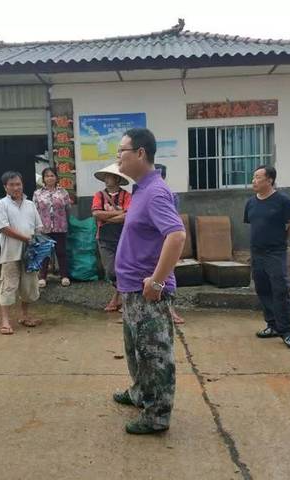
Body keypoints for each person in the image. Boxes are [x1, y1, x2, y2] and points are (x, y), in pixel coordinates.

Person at [113, 128, 186, 434]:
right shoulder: (141, 189)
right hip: (132, 288)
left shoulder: (155, 191)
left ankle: (157, 414)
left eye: (121, 152)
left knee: (154, 354)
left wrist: (156, 282)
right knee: (136, 349)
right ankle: (140, 392)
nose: (117, 159)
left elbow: (177, 235)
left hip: (147, 292)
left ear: (140, 153)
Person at [244, 165, 290, 350]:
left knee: (280, 289)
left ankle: (287, 332)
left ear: (269, 180)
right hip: (257, 252)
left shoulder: (282, 200)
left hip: (275, 253)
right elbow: (254, 226)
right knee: (263, 289)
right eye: (253, 177)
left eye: (258, 177)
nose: (254, 181)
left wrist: (280, 240)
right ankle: (272, 325)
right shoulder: (251, 203)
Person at [0, 171, 44, 334]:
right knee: (9, 285)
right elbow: (3, 228)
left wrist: (37, 242)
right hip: (11, 252)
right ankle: (5, 321)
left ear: (22, 185)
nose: (16, 187)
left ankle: (24, 315)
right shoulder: (2, 204)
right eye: (11, 185)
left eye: (18, 184)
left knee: (29, 285)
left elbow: (38, 227)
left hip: (30, 252)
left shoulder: (30, 204)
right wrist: (26, 238)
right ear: (5, 187)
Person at [92, 163, 132, 312]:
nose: (107, 179)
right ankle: (121, 296)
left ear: (117, 179)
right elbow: (96, 214)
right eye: (106, 176)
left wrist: (106, 217)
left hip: (124, 237)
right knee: (110, 271)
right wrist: (118, 214)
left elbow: (129, 215)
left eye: (110, 176)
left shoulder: (126, 195)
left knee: (124, 269)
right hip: (104, 238)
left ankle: (120, 299)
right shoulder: (99, 195)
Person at [156, 164, 186, 325]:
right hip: (153, 242)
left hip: (165, 240)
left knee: (167, 273)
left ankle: (171, 310)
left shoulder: (168, 195)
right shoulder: (144, 192)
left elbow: (174, 227)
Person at [33, 167, 71, 287]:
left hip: (60, 227)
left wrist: (65, 221)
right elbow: (34, 210)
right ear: (43, 179)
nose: (50, 178)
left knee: (61, 251)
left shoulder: (63, 192)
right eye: (47, 176)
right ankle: (42, 277)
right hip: (44, 228)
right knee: (44, 252)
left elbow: (68, 209)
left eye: (52, 175)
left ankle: (64, 276)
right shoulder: (37, 193)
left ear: (56, 177)